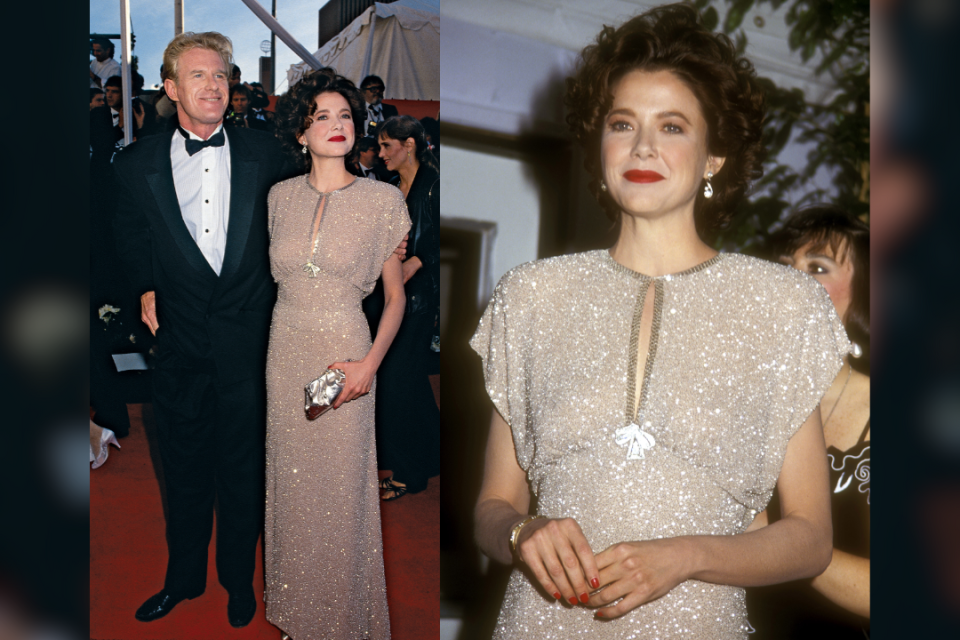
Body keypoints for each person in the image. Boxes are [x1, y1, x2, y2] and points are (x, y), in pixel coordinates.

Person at [469, 5, 850, 638]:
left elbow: (809, 539)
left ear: (714, 158)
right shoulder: (530, 296)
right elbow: (492, 505)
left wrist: (687, 556)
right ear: (601, 144)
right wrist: (521, 531)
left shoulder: (784, 305)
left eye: (672, 126)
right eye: (623, 124)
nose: (643, 146)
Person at [112, 31, 294, 628]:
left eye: (221, 75)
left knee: (244, 475)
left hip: (249, 349)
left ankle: (240, 583)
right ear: (171, 89)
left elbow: (317, 206)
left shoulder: (268, 154)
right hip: (180, 348)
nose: (213, 85)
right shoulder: (135, 163)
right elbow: (130, 242)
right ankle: (184, 579)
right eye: (198, 75)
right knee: (184, 475)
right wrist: (142, 286)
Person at [264, 68, 410, 640]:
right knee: (291, 488)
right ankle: (297, 619)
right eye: (321, 116)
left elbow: (395, 298)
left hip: (344, 356)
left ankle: (344, 624)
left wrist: (368, 366)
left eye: (345, 115)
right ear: (301, 133)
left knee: (340, 494)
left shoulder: (381, 201)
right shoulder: (278, 198)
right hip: (283, 351)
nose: (336, 125)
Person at [746, 206, 870, 639]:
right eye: (784, 267)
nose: (791, 279)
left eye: (817, 267)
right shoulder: (734, 395)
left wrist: (785, 544)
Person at [371, 116, 441, 501]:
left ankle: (409, 474)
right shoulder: (395, 187)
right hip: (398, 295)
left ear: (409, 144)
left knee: (398, 382)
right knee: (410, 381)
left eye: (387, 146)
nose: (380, 154)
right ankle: (431, 455)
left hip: (419, 298)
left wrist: (411, 265)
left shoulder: (435, 185)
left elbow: (438, 243)